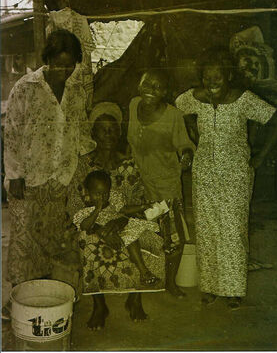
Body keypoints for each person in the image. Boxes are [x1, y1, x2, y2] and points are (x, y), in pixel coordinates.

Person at [175, 47, 277, 309]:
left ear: (229, 77)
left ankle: (233, 289)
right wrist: (190, 137)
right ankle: (211, 287)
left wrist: (258, 158)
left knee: (232, 230)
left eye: (218, 78)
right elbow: (175, 110)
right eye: (207, 78)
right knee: (206, 228)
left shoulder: (243, 100)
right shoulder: (194, 98)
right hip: (204, 173)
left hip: (235, 173)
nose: (212, 83)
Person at [4, 29, 94, 287]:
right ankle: (18, 297)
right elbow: (11, 134)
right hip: (30, 177)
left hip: (62, 176)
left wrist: (84, 166)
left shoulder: (76, 90)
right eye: (58, 65)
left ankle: (47, 293)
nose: (64, 71)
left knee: (55, 237)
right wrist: (15, 175)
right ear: (48, 60)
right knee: (24, 240)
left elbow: (80, 130)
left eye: (70, 66)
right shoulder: (26, 88)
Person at [68, 102, 165, 330]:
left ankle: (135, 297)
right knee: (87, 242)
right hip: (94, 222)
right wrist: (101, 229)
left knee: (145, 234)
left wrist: (121, 221)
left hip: (126, 220)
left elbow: (139, 201)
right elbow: (74, 204)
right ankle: (99, 304)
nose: (108, 135)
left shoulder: (130, 164)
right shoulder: (84, 164)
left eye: (113, 129)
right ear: (93, 134)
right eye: (102, 130)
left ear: (120, 132)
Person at [127, 69, 195, 298]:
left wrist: (186, 156)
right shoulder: (133, 104)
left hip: (165, 184)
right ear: (139, 84)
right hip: (138, 180)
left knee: (172, 234)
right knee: (141, 228)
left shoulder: (173, 115)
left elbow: (184, 144)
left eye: (158, 87)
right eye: (147, 84)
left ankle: (171, 282)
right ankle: (146, 276)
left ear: (165, 92)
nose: (151, 90)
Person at [73, 170, 160, 286]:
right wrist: (97, 210)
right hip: (103, 234)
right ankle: (144, 272)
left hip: (121, 227)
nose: (102, 197)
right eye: (97, 194)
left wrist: (142, 207)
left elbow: (124, 210)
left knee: (133, 237)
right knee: (129, 238)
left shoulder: (113, 200)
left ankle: (144, 272)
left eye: (105, 193)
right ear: (88, 192)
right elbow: (84, 226)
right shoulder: (85, 212)